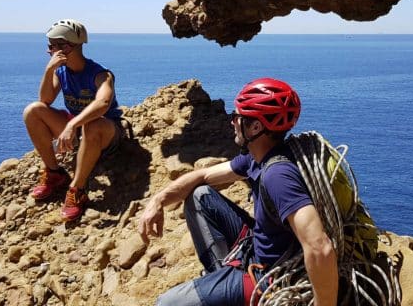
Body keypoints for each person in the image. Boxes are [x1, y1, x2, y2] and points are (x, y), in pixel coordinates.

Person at [138, 78, 338, 306]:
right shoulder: (256, 158)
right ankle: (222, 284)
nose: (232, 122)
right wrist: (158, 200)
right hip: (258, 247)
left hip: (268, 277)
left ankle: (233, 291)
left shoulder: (277, 175)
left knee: (167, 303)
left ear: (256, 127)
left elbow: (319, 247)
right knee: (200, 195)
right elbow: (202, 176)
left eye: (237, 117)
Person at [23, 19, 123, 221]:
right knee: (33, 111)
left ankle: (77, 190)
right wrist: (49, 70)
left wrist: (71, 124)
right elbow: (45, 100)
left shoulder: (100, 74)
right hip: (78, 129)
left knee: (92, 124)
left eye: (62, 45)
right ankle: (54, 173)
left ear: (78, 45)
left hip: (106, 131)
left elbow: (103, 103)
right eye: (52, 46)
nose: (55, 51)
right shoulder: (60, 71)